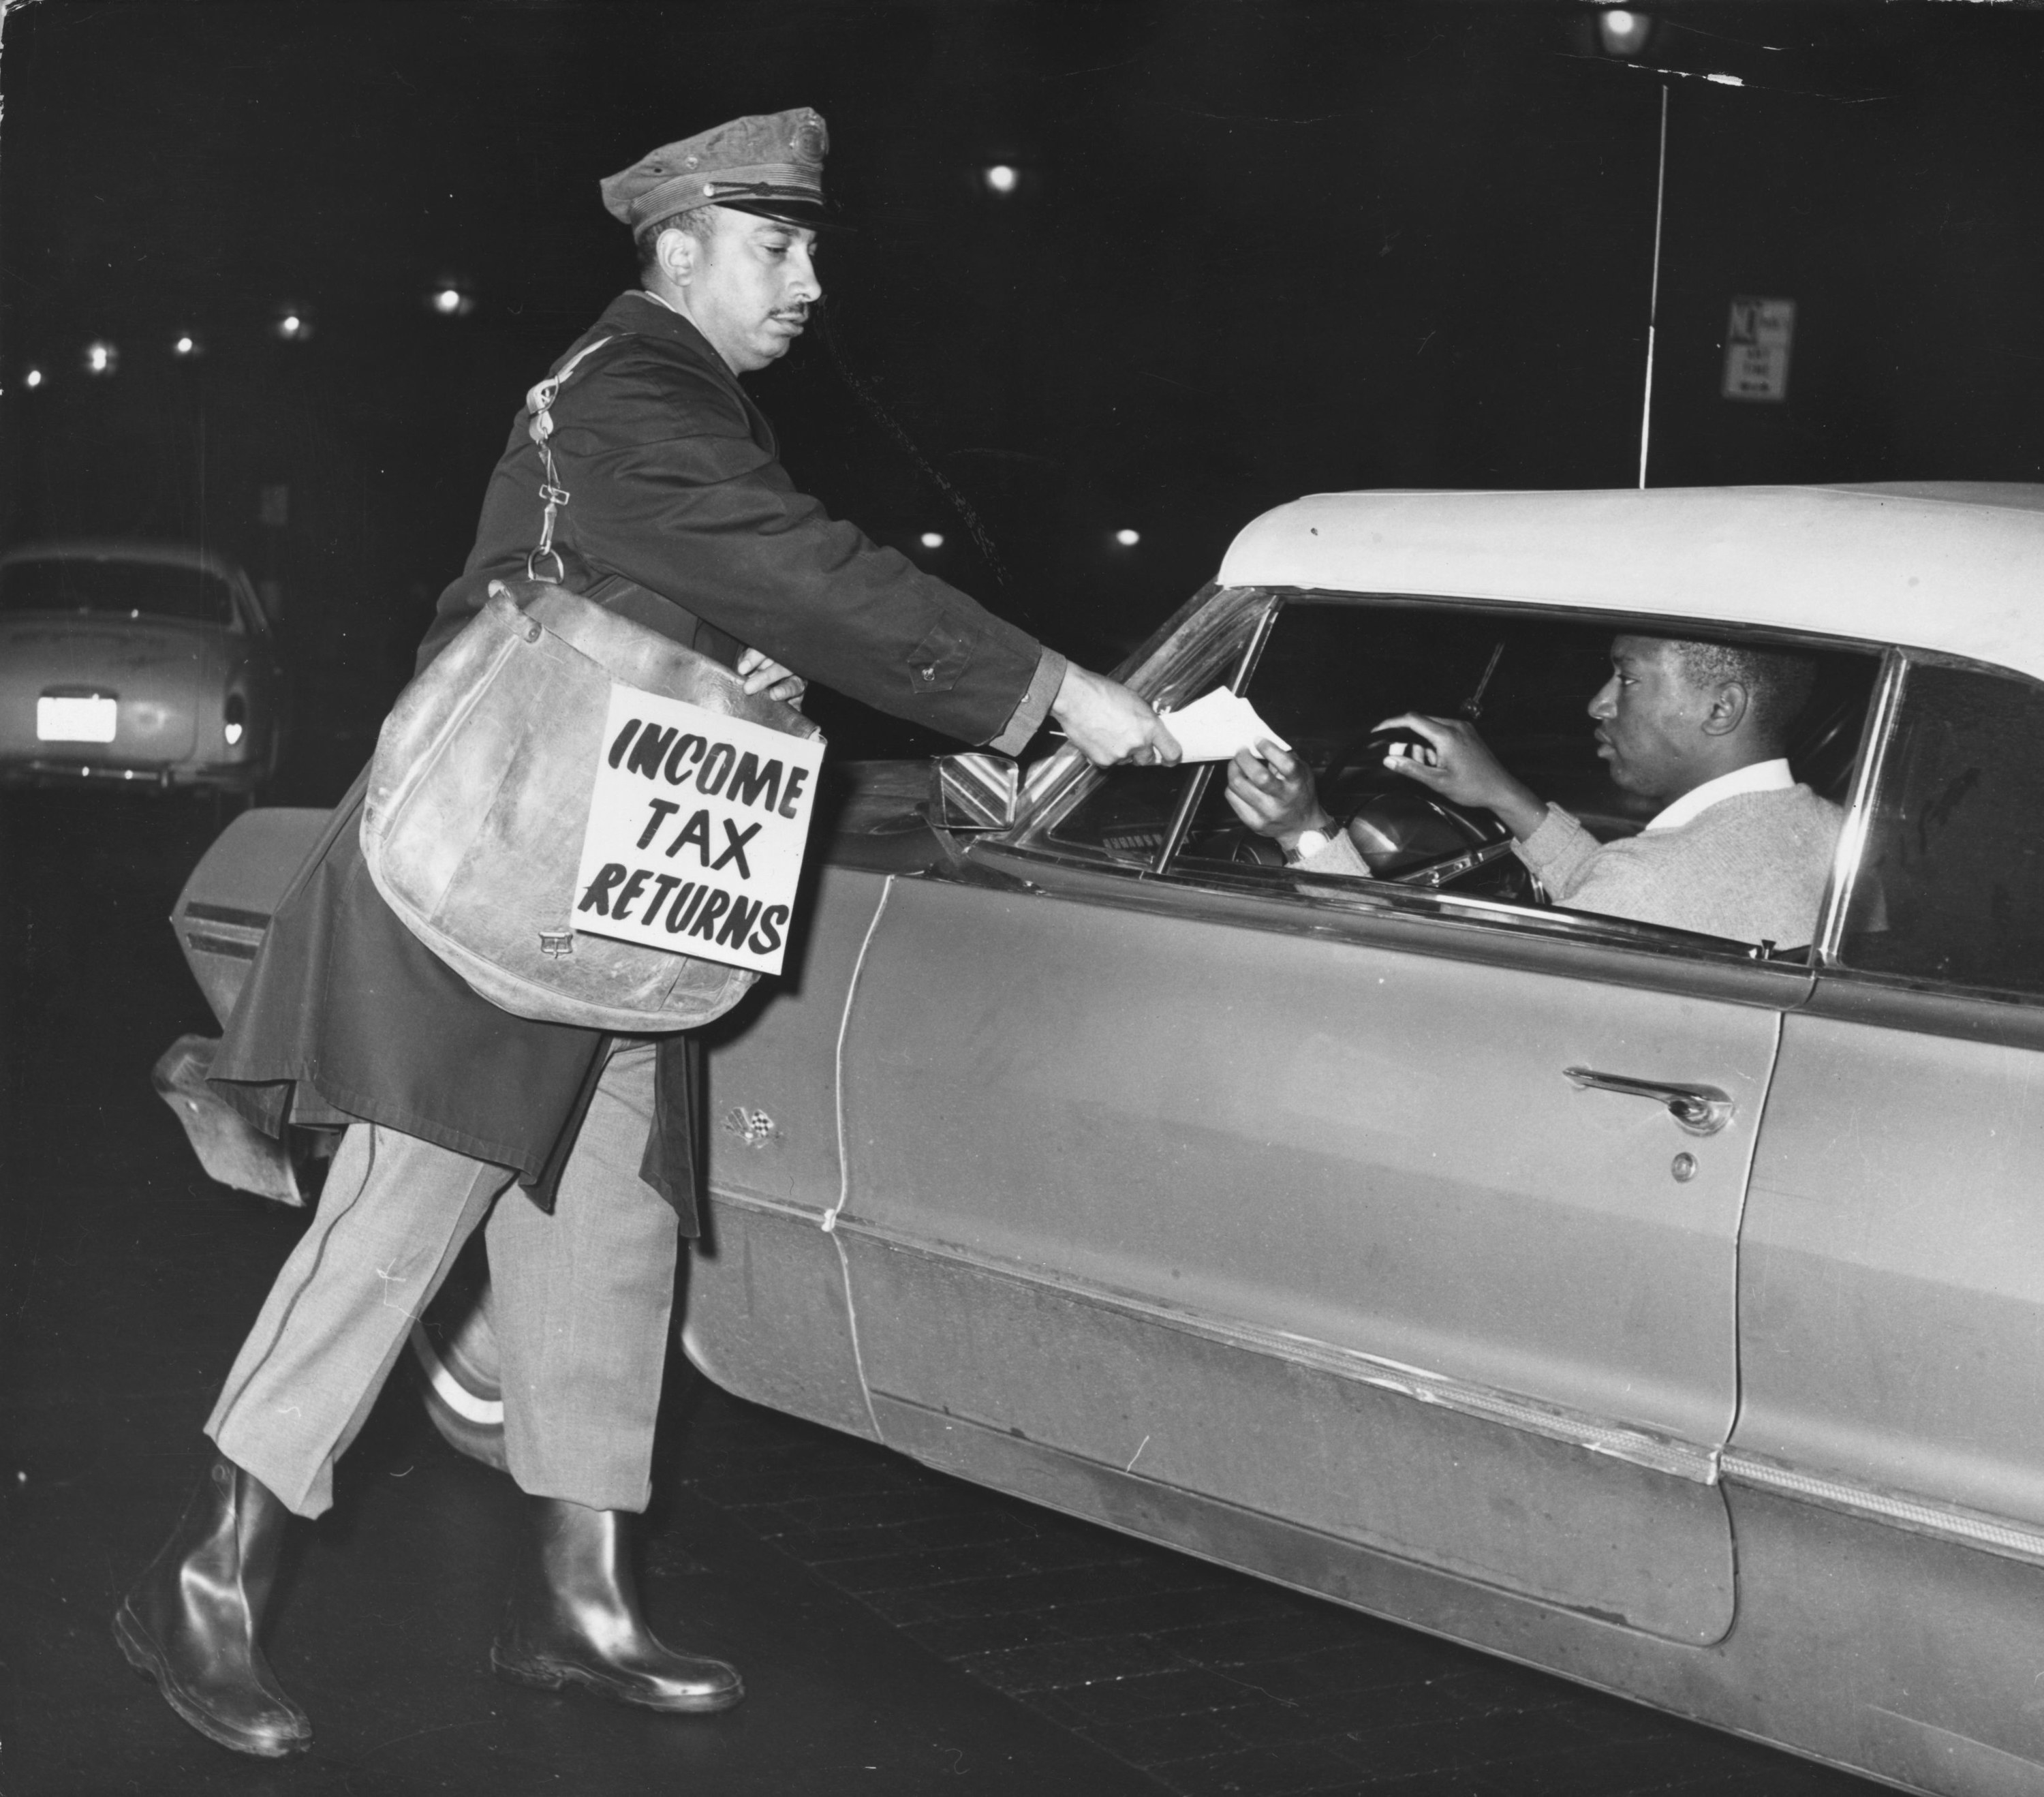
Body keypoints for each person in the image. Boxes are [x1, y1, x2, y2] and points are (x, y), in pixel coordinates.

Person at [114, 108, 1181, 1760]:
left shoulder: (681, 401)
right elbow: (793, 566)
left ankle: (576, 1597)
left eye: (809, 244)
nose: (811, 279)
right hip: (503, 885)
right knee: (399, 1221)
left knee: (609, 1230)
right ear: (679, 246)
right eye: (781, 245)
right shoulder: (633, 389)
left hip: (613, 885)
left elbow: (715, 598)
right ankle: (202, 1579)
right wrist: (1052, 692)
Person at [1224, 632, 1843, 947]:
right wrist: (1503, 795)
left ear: (1720, 708)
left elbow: (1410, 993)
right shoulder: (1832, 831)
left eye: (1626, 679)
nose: (1597, 702)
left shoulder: (1651, 878)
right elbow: (1627, 900)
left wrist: (1304, 829)